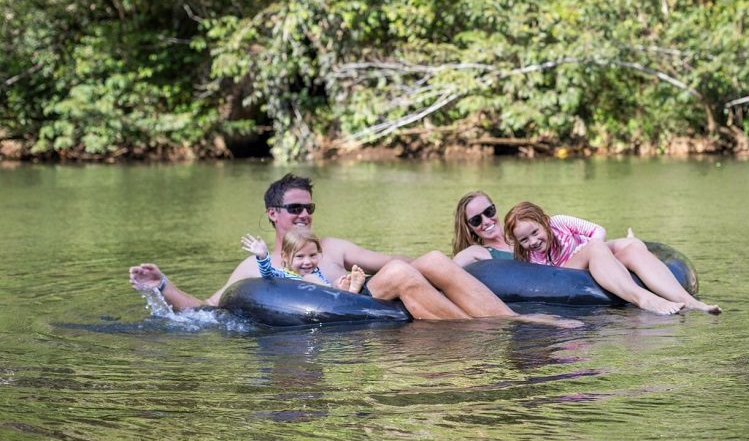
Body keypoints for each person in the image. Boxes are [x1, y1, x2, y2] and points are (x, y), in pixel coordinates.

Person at [129, 173, 579, 325]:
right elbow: (206, 309)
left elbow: (399, 260)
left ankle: (506, 317)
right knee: (403, 277)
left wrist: (473, 256)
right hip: (344, 318)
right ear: (273, 213)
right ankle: (502, 328)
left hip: (364, 296)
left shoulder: (335, 246)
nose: (304, 214)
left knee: (430, 261)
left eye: (309, 207)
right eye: (295, 207)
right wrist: (163, 285)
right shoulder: (255, 263)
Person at [504, 201, 722, 315]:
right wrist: (590, 252)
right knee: (595, 248)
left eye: (535, 232)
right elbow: (535, 280)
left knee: (634, 248)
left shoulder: (559, 222)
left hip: (589, 258)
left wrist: (602, 253)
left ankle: (693, 303)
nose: (532, 242)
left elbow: (597, 231)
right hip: (566, 274)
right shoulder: (527, 256)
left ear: (544, 221)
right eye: (524, 240)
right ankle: (644, 299)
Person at [241, 230, 366, 293]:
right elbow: (267, 274)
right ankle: (341, 292)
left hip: (322, 300)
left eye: (312, 255)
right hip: (298, 301)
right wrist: (263, 256)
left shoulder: (316, 272)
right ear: (285, 257)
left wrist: (336, 284)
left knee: (338, 282)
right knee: (309, 278)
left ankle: (349, 290)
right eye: (300, 257)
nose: (307, 262)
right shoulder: (282, 275)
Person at [452, 190, 514, 267]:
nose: (486, 221)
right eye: (476, 220)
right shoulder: (476, 252)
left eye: (489, 211)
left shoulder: (523, 235)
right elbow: (445, 267)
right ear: (469, 227)